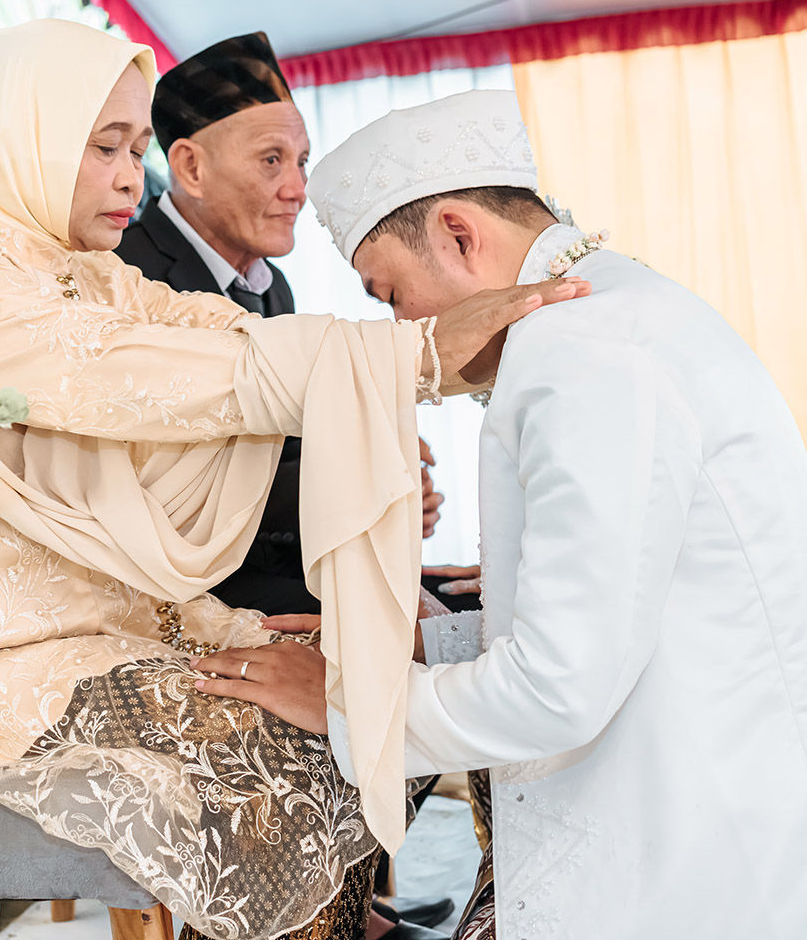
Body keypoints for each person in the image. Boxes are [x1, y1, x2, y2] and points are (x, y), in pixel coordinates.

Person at [0, 26, 587, 940]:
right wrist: (413, 354)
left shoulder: (80, 267)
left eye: (135, 150)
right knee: (283, 750)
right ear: (17, 129)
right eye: (104, 146)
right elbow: (116, 369)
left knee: (352, 701)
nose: (128, 177)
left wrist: (408, 364)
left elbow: (208, 335)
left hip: (111, 626)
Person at [193, 89, 807, 939]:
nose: (401, 328)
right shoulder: (614, 311)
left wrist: (345, 698)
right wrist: (421, 642)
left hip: (677, 844)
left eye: (390, 294)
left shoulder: (583, 354)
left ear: (457, 233)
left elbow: (558, 686)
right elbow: (639, 605)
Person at [115, 32, 445, 619]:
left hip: (269, 566)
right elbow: (170, 482)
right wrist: (366, 476)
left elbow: (283, 445)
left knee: (451, 603)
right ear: (190, 166)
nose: (298, 190)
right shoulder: (130, 275)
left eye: (301, 161)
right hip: (178, 591)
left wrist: (383, 466)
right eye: (272, 160)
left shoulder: (273, 287)